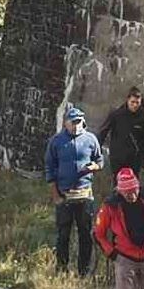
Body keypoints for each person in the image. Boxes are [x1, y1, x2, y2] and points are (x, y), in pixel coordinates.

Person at [45, 106, 103, 277]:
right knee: (63, 235)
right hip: (64, 194)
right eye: (74, 122)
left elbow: (100, 160)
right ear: (66, 123)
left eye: (80, 121)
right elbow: (49, 167)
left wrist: (95, 166)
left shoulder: (91, 139)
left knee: (85, 234)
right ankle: (61, 270)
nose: (77, 125)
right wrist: (55, 193)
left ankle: (83, 273)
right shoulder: (56, 141)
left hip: (84, 194)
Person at [97, 86, 144, 178]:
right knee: (118, 185)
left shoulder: (143, 119)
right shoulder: (116, 115)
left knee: (132, 186)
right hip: (118, 158)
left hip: (134, 160)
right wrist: (96, 151)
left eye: (137, 103)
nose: (134, 105)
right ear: (127, 101)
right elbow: (103, 132)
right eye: (132, 102)